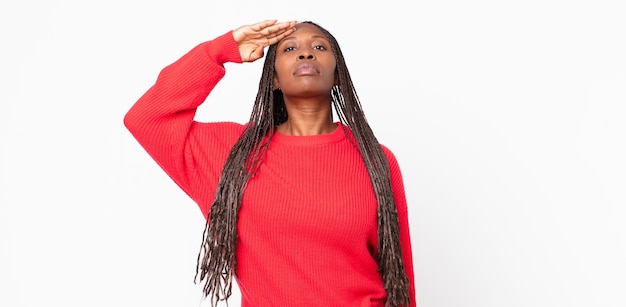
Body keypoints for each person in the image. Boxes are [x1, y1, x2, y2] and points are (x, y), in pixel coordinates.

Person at [124, 19, 416, 307]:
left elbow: (399, 279)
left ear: (338, 73)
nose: (305, 53)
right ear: (273, 78)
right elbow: (147, 118)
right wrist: (219, 52)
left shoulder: (376, 159)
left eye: (319, 46)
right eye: (289, 49)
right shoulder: (230, 153)